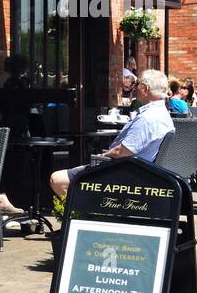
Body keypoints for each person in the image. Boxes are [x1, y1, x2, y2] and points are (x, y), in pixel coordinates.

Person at [50, 69, 174, 197]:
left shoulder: (148, 118)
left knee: (57, 179)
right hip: (138, 173)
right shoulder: (164, 115)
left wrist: (103, 154)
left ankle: (85, 214)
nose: (135, 88)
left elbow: (121, 152)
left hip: (122, 174)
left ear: (145, 88)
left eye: (137, 84)